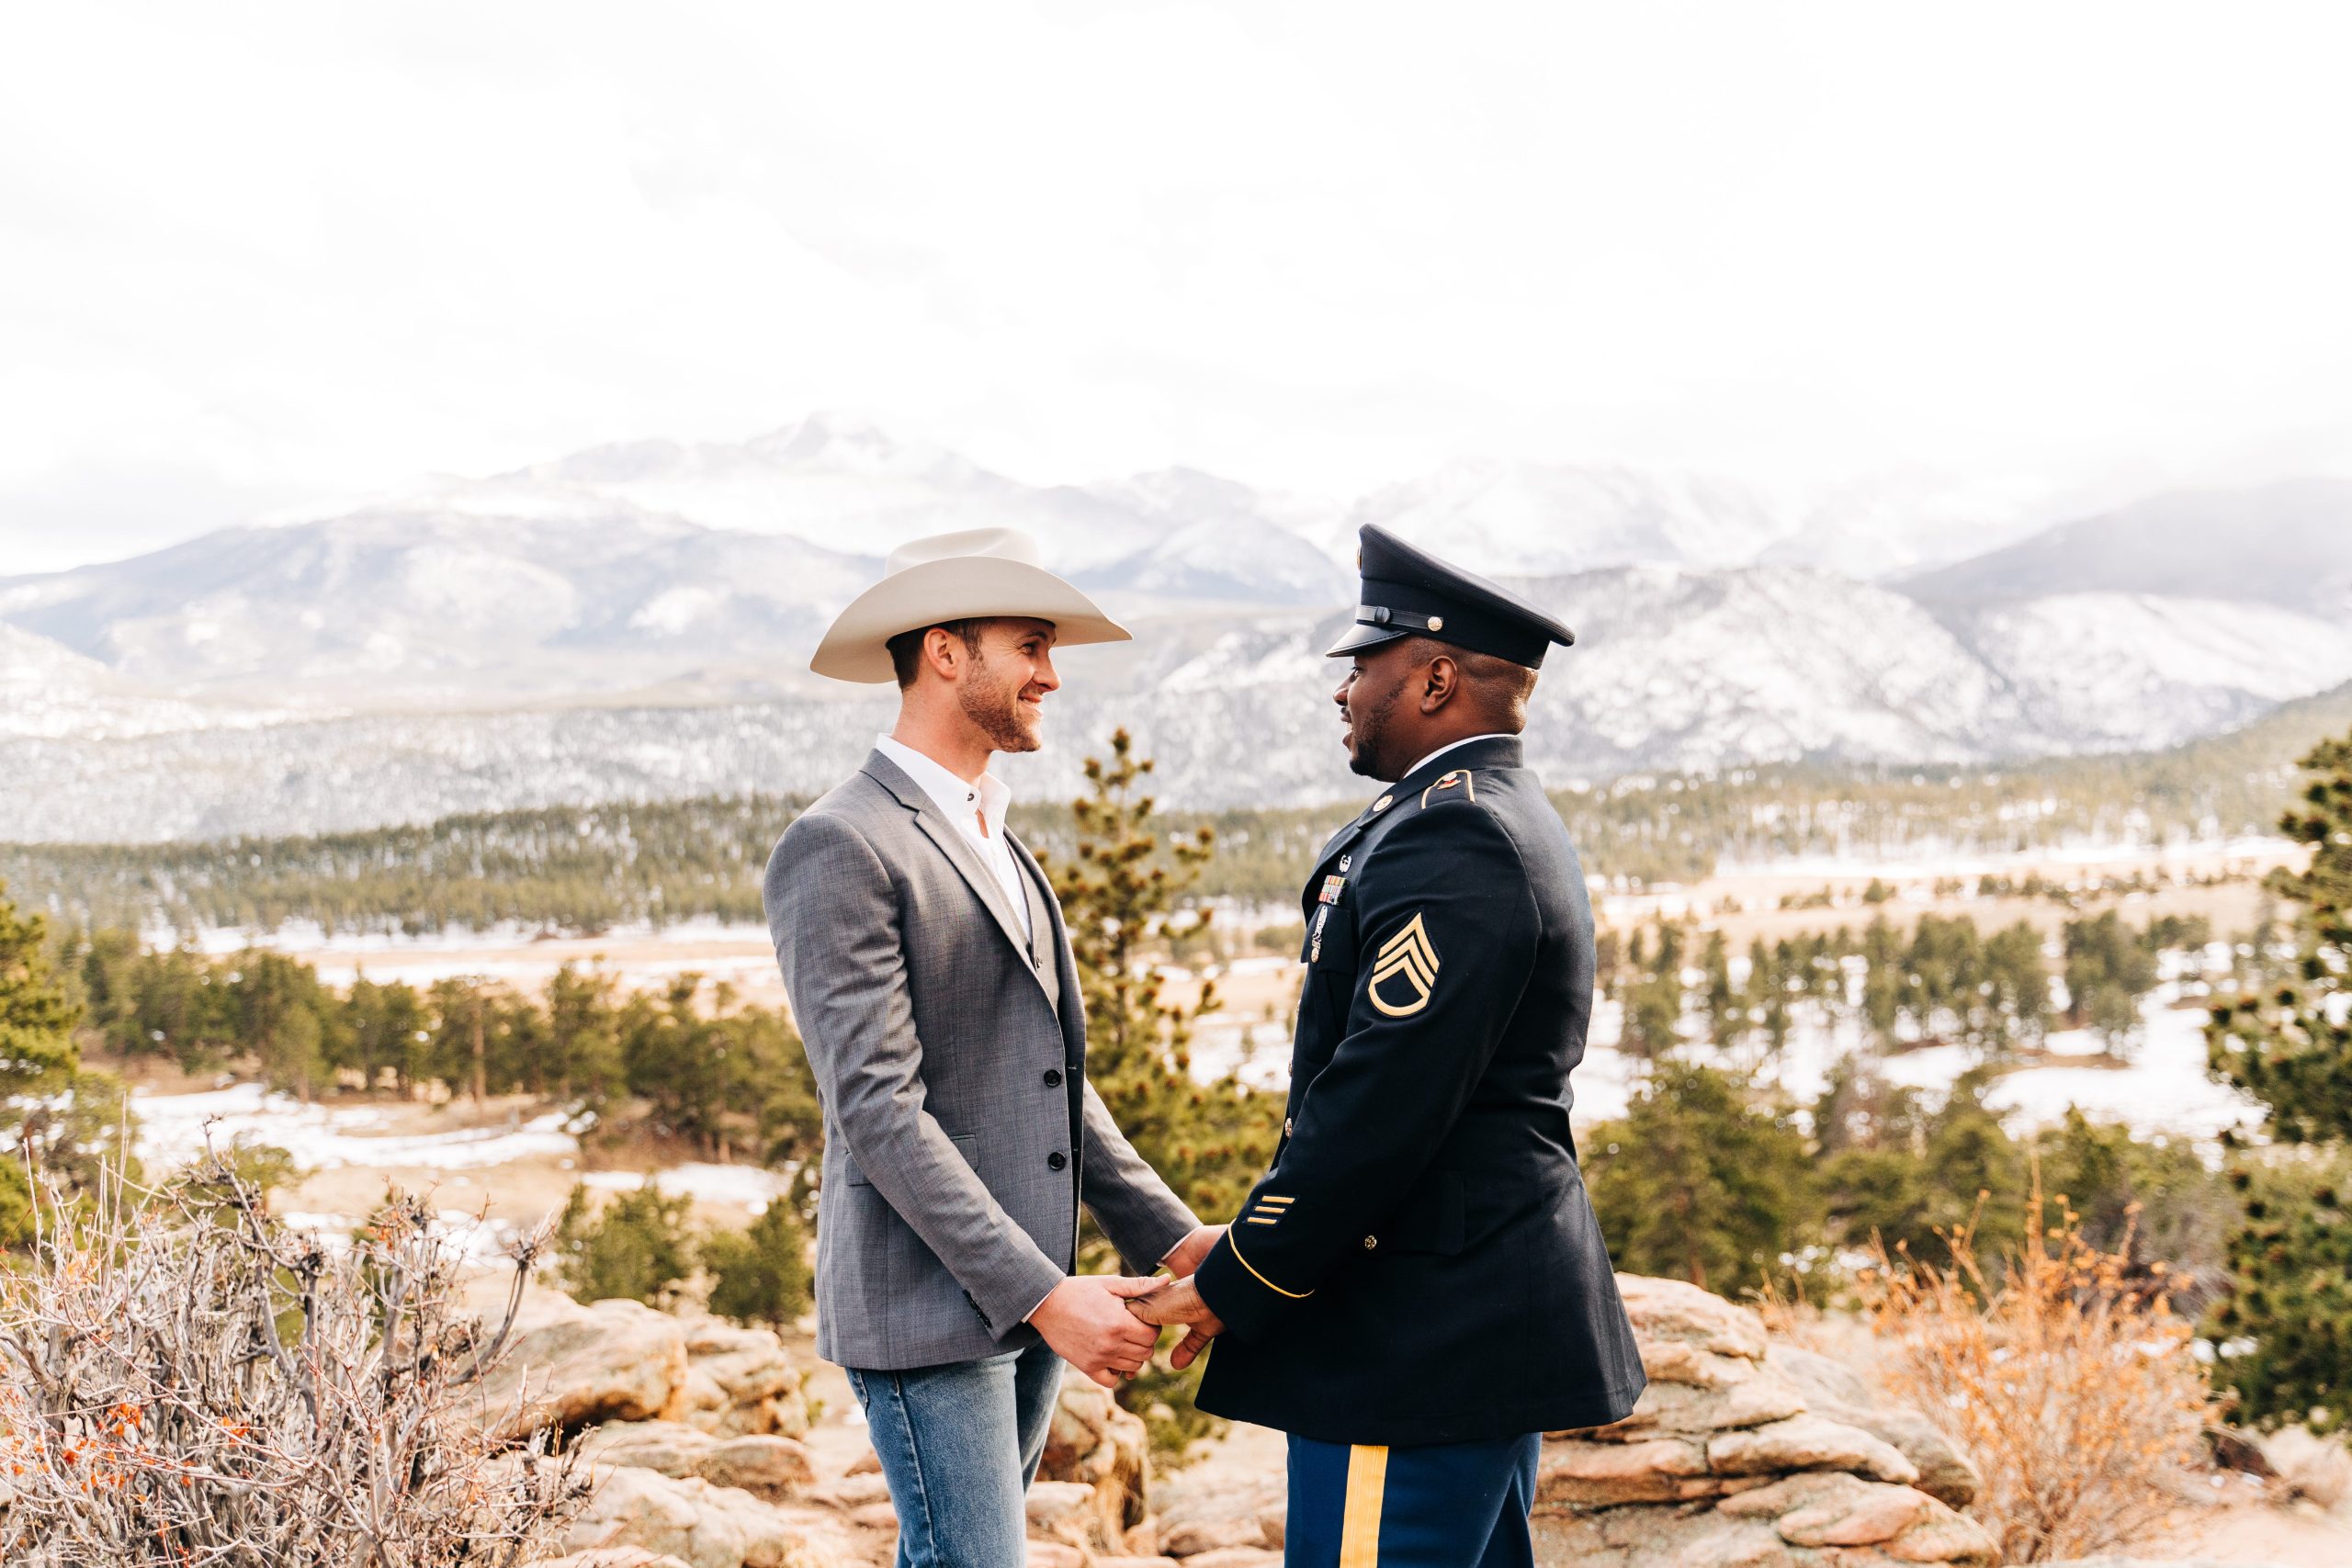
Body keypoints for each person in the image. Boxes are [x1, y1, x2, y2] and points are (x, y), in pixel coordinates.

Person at [1131, 523, 1645, 1566]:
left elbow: (1378, 1103)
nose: (1344, 689)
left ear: (1436, 678)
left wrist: (1243, 1273)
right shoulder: (1469, 813)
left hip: (1414, 1337)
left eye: (1364, 663)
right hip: (1454, 1319)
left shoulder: (1454, 834)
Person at [765, 526, 1224, 1568]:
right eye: (1030, 645)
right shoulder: (841, 843)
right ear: (944, 651)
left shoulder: (995, 836)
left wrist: (1172, 1235)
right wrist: (1044, 1294)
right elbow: (877, 1110)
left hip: (1018, 1306)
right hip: (931, 1311)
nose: (1051, 676)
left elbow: (1054, 1084)